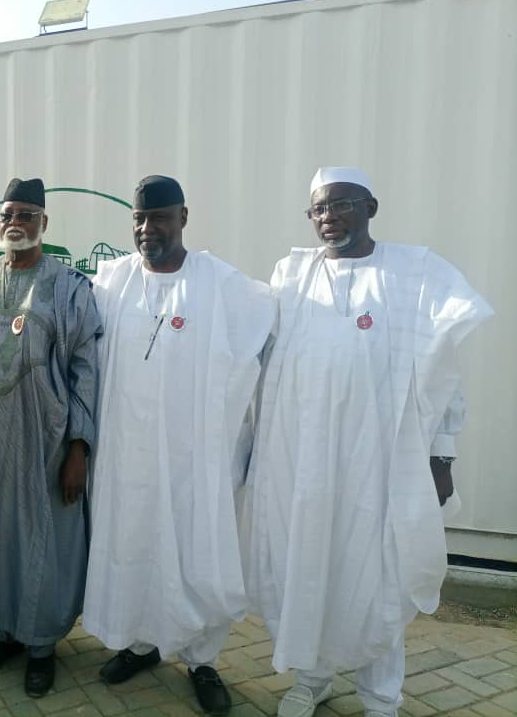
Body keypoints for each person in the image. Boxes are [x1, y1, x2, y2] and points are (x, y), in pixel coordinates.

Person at [243, 167, 493, 717]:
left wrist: (442, 453)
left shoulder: (413, 272)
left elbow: (443, 367)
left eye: (341, 205)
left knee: (377, 572)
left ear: (370, 207)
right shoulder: (291, 274)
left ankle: (381, 696)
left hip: (379, 459)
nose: (329, 217)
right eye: (319, 209)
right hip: (303, 457)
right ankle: (312, 678)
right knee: (307, 560)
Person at [82, 175, 274, 715]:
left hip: (194, 458)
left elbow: (272, 333)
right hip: (127, 456)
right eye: (140, 220)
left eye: (160, 218)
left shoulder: (222, 284)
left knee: (195, 550)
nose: (148, 229)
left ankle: (202, 661)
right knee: (133, 543)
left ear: (183, 218)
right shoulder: (111, 281)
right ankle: (141, 643)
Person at [0, 177, 101, 697]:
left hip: (43, 443)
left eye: (26, 215)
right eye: (7, 214)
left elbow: (85, 370)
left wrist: (78, 447)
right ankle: (2, 632)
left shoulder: (67, 287)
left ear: (44, 223)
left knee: (41, 538)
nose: (15, 223)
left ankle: (41, 646)